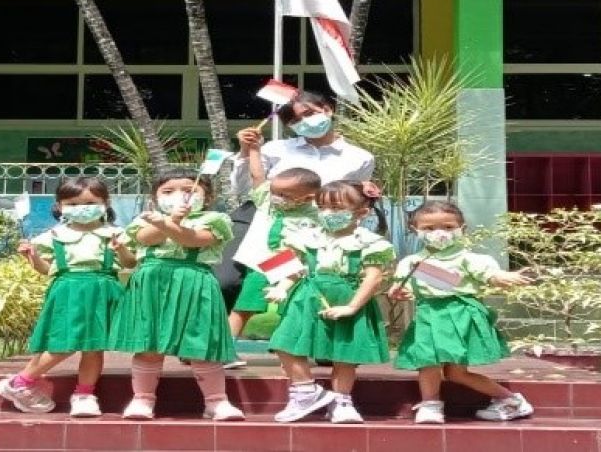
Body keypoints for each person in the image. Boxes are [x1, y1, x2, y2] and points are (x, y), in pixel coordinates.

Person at [109, 169, 245, 421]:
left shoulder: (217, 219)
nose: (179, 196)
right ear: (155, 197)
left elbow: (194, 240)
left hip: (195, 281)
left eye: (189, 190)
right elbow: (145, 238)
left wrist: (171, 224)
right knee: (148, 344)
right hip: (151, 283)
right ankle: (142, 399)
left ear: (207, 196)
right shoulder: (147, 218)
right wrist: (169, 220)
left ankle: (216, 401)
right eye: (168, 191)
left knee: (200, 344)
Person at [0, 177, 134, 417]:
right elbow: (44, 269)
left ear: (105, 203)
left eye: (90, 202)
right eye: (72, 203)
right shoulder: (54, 236)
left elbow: (130, 263)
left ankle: (85, 394)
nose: (82, 208)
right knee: (65, 342)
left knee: (94, 346)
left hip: (103, 290)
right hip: (68, 291)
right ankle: (22, 381)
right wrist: (32, 257)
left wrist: (121, 249)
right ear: (60, 206)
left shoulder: (115, 233)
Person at [388, 200, 534, 424]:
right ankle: (431, 405)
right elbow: (403, 288)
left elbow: (490, 274)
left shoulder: (470, 259)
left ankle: (511, 400)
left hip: (460, 314)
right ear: (415, 230)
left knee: (456, 372)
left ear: (462, 228)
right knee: (427, 362)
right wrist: (398, 292)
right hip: (428, 315)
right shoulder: (411, 262)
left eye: (447, 227)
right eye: (428, 228)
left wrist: (505, 277)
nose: (439, 233)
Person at [266, 181, 393, 424]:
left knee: (343, 352)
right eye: (323, 207)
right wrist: (281, 287)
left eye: (336, 208)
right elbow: (291, 266)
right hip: (307, 295)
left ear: (362, 212)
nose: (328, 213)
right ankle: (305, 391)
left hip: (347, 296)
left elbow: (373, 277)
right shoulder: (306, 236)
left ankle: (341, 401)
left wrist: (353, 306)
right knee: (285, 341)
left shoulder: (369, 242)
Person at [227, 164, 321, 365]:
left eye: (284, 194)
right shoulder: (266, 202)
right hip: (262, 261)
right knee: (245, 305)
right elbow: (257, 175)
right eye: (275, 191)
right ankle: (225, 349)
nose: (277, 197)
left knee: (291, 308)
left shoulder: (316, 215)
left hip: (296, 266)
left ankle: (290, 352)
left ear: (307, 198)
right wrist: (253, 149)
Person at [230, 90, 374, 197]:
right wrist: (246, 152)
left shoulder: (361, 158)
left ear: (328, 109)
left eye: (309, 113)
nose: (304, 122)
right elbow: (242, 190)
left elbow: (355, 200)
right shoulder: (274, 149)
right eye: (295, 121)